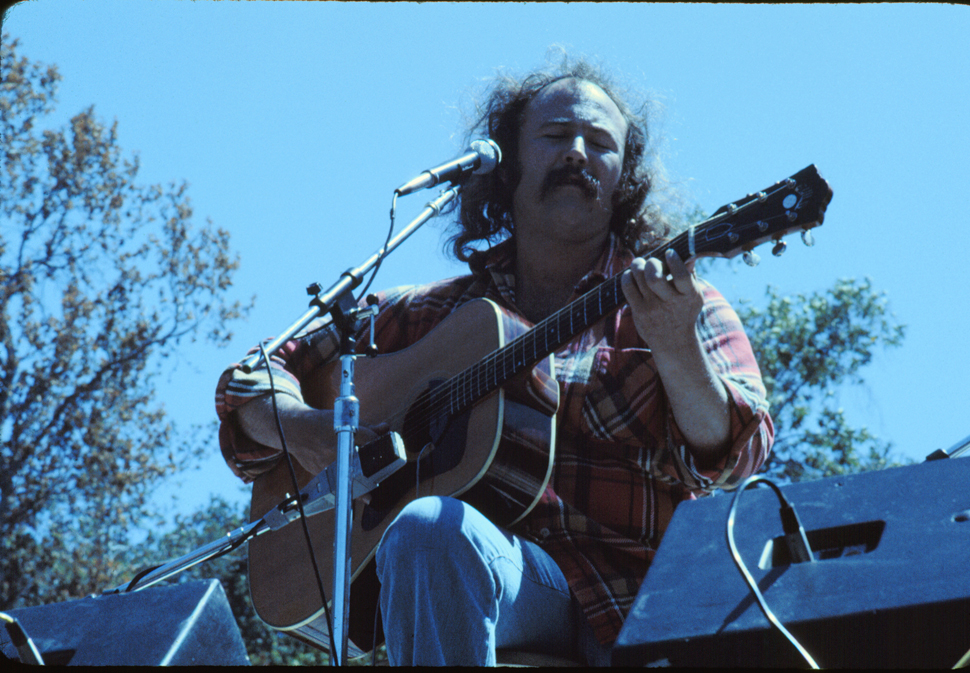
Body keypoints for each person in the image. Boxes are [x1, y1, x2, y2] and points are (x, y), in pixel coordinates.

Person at [216, 56, 773, 666]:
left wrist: (676, 346)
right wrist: (311, 432)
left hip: (626, 606)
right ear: (506, 164)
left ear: (624, 180)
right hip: (480, 583)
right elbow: (250, 382)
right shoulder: (438, 314)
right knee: (430, 528)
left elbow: (736, 452)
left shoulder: (672, 304)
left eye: (600, 144)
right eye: (557, 137)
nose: (578, 154)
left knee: (433, 526)